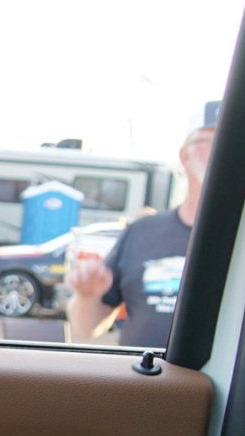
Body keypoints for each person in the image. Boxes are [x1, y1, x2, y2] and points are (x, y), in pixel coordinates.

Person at [65, 125, 214, 348]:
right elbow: (86, 328)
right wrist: (87, 295)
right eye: (212, 139)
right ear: (185, 156)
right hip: (144, 380)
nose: (224, 147)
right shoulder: (142, 232)